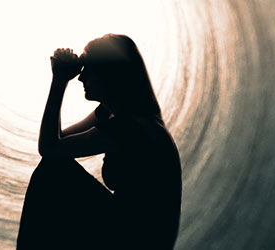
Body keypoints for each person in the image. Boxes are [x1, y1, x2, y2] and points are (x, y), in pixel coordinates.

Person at [16, 34, 182, 250]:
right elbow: (59, 141)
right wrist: (63, 76)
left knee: (52, 169)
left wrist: (59, 81)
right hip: (130, 230)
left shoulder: (130, 127)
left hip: (139, 242)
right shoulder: (116, 114)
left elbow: (49, 148)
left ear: (109, 74)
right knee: (55, 164)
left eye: (88, 69)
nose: (80, 78)